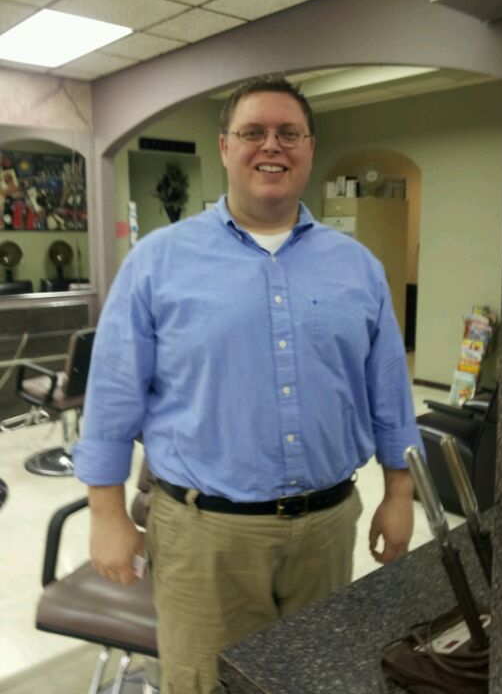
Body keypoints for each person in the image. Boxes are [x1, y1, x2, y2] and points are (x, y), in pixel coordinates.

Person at [73, 75, 423, 694]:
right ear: (225, 146)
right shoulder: (157, 262)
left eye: (289, 133)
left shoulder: (358, 269)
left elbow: (390, 395)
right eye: (253, 132)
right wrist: (106, 513)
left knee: (315, 680)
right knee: (208, 684)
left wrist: (400, 494)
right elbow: (112, 398)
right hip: (205, 538)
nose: (272, 145)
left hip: (326, 529)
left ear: (309, 147)